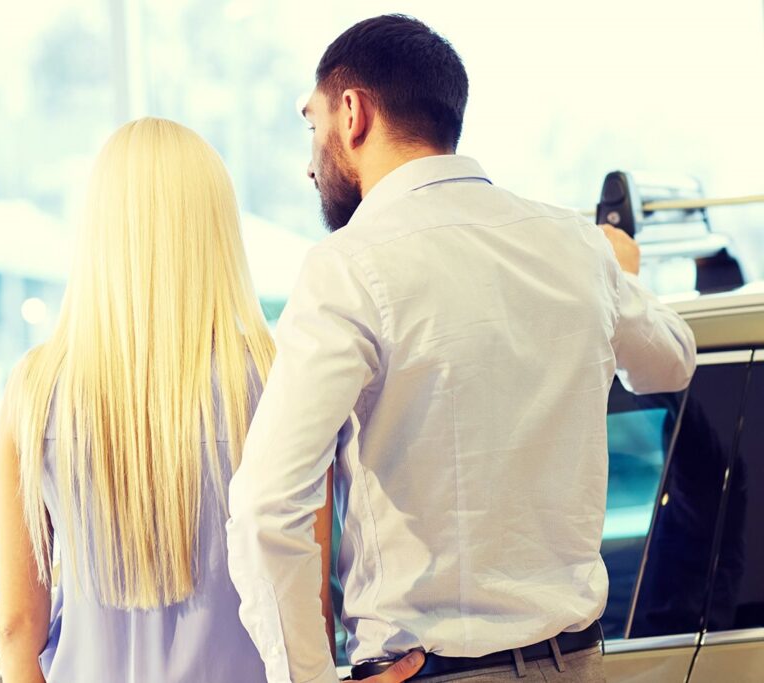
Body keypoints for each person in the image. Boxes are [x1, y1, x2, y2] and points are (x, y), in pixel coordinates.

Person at [226, 14, 696, 683]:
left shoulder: (348, 268)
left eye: (313, 123)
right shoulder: (575, 246)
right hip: (576, 663)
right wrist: (616, 270)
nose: (309, 162)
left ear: (352, 112)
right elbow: (672, 362)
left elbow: (266, 506)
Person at [0, 118, 284, 683]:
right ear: (216, 228)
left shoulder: (35, 390)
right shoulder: (274, 377)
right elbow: (304, 610)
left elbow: (17, 629)